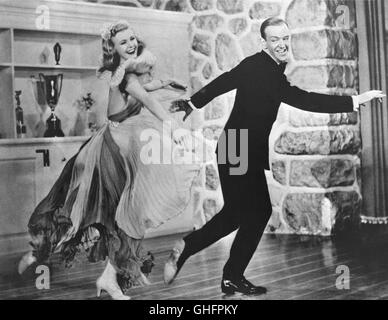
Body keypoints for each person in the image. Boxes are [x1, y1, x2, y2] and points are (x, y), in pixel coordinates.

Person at [164, 17, 385, 295]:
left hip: (237, 145)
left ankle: (223, 270)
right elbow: (303, 99)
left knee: (241, 214)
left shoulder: (261, 67)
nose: (282, 45)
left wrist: (192, 103)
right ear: (264, 42)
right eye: (275, 40)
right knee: (252, 213)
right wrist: (354, 100)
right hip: (238, 146)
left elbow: (228, 80)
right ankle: (201, 255)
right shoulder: (263, 70)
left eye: (285, 39)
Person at [18, 20, 213, 300]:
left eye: (133, 38)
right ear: (114, 48)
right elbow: (146, 98)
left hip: (124, 144)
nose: (131, 44)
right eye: (124, 42)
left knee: (123, 216)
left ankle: (110, 276)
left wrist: (166, 83)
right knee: (79, 210)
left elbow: (146, 87)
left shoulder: (131, 72)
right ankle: (39, 252)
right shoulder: (121, 74)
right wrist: (173, 127)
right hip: (108, 150)